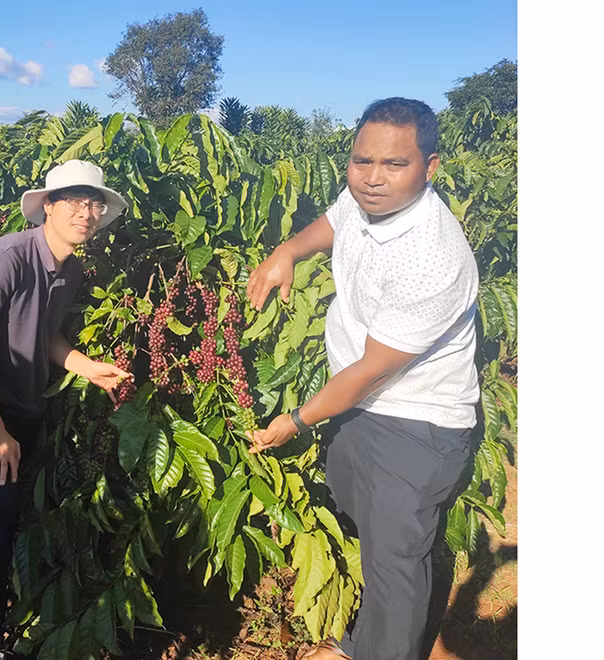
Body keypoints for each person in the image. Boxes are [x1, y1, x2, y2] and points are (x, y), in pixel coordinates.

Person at [245, 98, 478, 660]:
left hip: (416, 420)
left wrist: (296, 419)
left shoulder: (431, 253)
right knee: (376, 534)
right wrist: (288, 250)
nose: (372, 178)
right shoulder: (360, 199)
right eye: (361, 161)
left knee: (395, 562)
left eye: (394, 164)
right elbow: (332, 222)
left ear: (430, 167)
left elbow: (373, 369)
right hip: (361, 405)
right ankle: (361, 644)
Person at [0, 160, 133, 660]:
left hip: (27, 407)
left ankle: (2, 608)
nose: (86, 212)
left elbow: (48, 334)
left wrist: (87, 366)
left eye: (94, 203)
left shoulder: (70, 269)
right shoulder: (6, 255)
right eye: (73, 200)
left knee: (12, 515)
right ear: (47, 206)